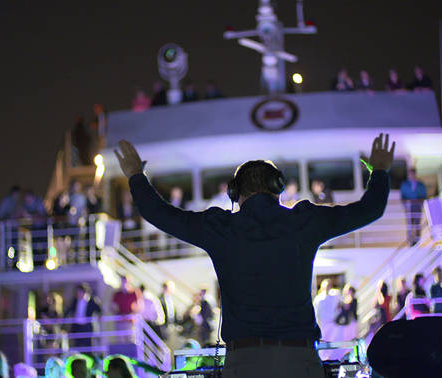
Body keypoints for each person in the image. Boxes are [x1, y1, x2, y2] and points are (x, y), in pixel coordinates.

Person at [113, 133, 394, 377]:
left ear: (235, 193)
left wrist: (136, 176)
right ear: (279, 188)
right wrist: (379, 170)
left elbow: (159, 214)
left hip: (245, 362)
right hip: (299, 360)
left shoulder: (220, 227)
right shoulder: (305, 221)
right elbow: (369, 209)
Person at [64, 283, 102, 348]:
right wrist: (63, 320)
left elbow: (99, 310)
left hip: (87, 327)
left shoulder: (91, 301)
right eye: (77, 292)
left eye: (80, 292)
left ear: (84, 292)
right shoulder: (75, 301)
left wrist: (99, 316)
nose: (78, 294)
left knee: (88, 346)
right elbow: (68, 310)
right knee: (77, 346)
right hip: (77, 327)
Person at [400, 168, 427, 245]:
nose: (411, 175)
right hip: (409, 207)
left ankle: (418, 240)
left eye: (413, 174)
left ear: (415, 174)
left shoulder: (421, 185)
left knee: (417, 224)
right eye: (410, 174)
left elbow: (424, 196)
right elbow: (402, 197)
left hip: (417, 206)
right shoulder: (404, 184)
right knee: (409, 224)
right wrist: (406, 203)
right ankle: (410, 241)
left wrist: (418, 201)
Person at [111, 276, 142, 343]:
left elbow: (139, 307)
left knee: (131, 340)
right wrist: (119, 314)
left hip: (130, 321)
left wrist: (131, 314)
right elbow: (112, 307)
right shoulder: (117, 294)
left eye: (126, 281)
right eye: (123, 281)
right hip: (120, 321)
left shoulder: (134, 292)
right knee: (121, 341)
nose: (124, 283)